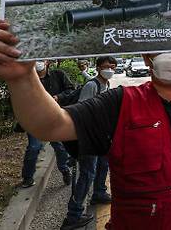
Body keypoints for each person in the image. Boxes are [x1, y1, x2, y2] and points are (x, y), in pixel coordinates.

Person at [0, 19, 171, 230]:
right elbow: (51, 126)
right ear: (147, 58)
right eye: (161, 49)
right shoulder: (120, 102)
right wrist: (22, 78)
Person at [61, 56, 116, 229]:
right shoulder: (92, 85)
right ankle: (73, 215)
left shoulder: (105, 84)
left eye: (113, 67)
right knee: (87, 174)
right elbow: (82, 112)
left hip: (101, 136)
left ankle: (99, 192)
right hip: (89, 137)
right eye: (107, 66)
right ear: (99, 67)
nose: (111, 70)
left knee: (103, 165)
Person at [20, 60, 73, 188]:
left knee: (60, 147)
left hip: (55, 119)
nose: (38, 63)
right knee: (34, 147)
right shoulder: (26, 80)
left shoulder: (58, 75)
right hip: (35, 121)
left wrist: (58, 97)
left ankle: (65, 170)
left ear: (47, 62)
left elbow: (71, 90)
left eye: (41, 59)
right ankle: (27, 177)